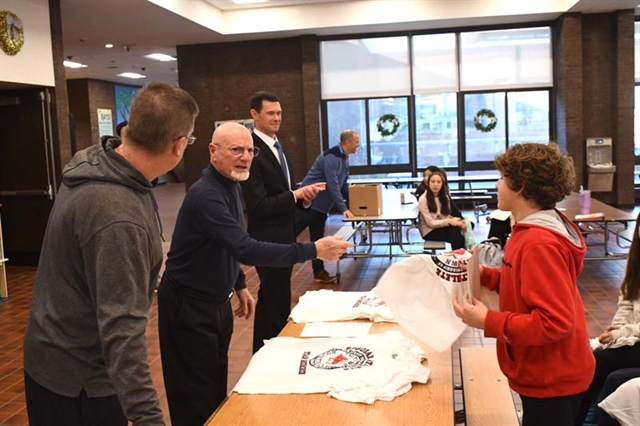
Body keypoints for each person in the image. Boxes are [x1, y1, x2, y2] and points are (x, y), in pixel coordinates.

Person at [23, 82, 199, 426]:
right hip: (80, 385)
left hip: (51, 359)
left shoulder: (98, 162)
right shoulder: (118, 216)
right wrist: (150, 420)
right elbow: (122, 334)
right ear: (179, 145)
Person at [158, 122, 352, 426]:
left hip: (214, 301)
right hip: (188, 305)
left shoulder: (231, 184)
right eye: (236, 149)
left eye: (250, 150)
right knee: (194, 394)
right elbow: (245, 248)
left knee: (213, 387)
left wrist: (238, 284)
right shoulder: (206, 195)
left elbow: (225, 245)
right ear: (213, 151)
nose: (245, 156)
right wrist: (313, 250)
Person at [453, 142, 595, 426]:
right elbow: (526, 281)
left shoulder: (537, 243)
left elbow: (553, 322)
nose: (497, 184)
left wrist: (488, 321)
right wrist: (487, 274)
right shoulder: (529, 230)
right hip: (547, 373)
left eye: (503, 178)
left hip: (554, 379)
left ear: (520, 187)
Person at [240, 91, 325, 353]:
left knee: (271, 299)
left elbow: (282, 193)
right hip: (267, 239)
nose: (277, 118)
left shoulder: (277, 146)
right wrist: (295, 195)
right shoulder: (252, 151)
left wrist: (303, 199)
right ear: (255, 115)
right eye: (271, 113)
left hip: (283, 234)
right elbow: (258, 205)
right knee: (276, 302)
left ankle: (263, 353)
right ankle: (276, 355)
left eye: (279, 113)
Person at [574, 211, 640, 426]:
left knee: (602, 362)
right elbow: (627, 301)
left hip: (636, 338)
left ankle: (574, 420)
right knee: (592, 357)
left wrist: (622, 333)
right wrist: (618, 327)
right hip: (634, 337)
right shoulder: (636, 264)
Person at [295, 129, 360, 283]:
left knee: (317, 239)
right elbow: (333, 185)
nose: (359, 145)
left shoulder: (344, 159)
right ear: (347, 142)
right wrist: (343, 209)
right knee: (289, 233)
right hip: (308, 203)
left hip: (321, 207)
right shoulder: (332, 156)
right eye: (357, 142)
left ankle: (318, 272)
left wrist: (355, 204)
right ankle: (275, 263)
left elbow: (343, 185)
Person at [417, 170, 467, 249]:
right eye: (433, 182)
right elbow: (430, 223)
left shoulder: (445, 197)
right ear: (428, 183)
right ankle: (460, 258)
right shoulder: (423, 199)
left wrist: (457, 221)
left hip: (441, 226)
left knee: (458, 232)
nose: (435, 184)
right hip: (429, 231)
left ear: (442, 184)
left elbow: (445, 215)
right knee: (457, 235)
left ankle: (459, 257)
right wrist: (449, 221)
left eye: (438, 182)